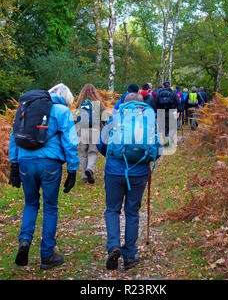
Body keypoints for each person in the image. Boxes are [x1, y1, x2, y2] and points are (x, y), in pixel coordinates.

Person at [9, 83, 80, 270]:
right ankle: (47, 255)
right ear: (66, 99)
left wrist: (14, 164)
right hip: (50, 164)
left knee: (30, 203)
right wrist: (72, 170)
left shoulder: (25, 108)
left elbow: (14, 136)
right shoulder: (62, 111)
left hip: (25, 162)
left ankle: (24, 241)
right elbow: (70, 143)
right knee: (50, 207)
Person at [97, 93, 160, 271]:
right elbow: (158, 148)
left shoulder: (116, 118)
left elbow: (101, 143)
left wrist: (112, 158)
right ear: (142, 104)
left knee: (112, 210)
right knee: (132, 212)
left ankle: (114, 246)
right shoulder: (150, 120)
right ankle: (130, 255)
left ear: (124, 104)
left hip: (114, 171)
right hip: (139, 173)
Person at [75, 83, 105, 184]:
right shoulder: (97, 103)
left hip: (82, 130)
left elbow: (75, 118)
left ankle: (84, 176)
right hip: (94, 130)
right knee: (92, 152)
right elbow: (104, 118)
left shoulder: (79, 103)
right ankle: (90, 169)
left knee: (83, 153)